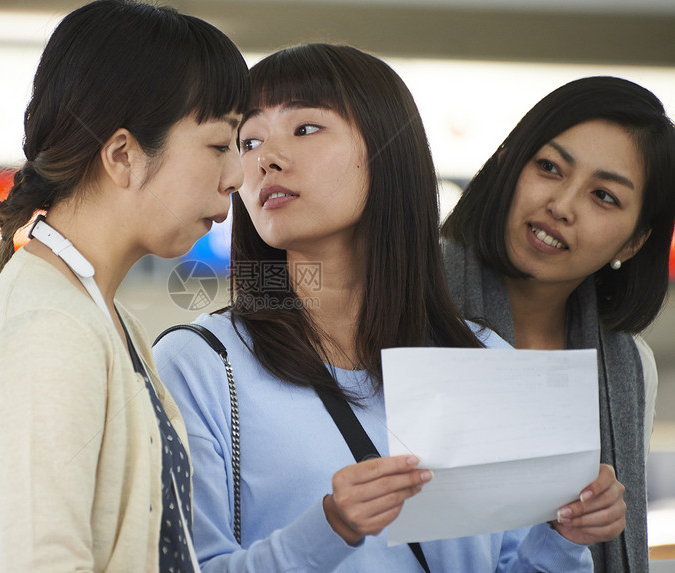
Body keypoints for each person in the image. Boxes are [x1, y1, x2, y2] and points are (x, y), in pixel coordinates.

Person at [154, 43, 603, 572]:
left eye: (305, 129)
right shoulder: (200, 365)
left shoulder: (482, 359)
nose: (264, 158)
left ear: (388, 150)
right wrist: (329, 528)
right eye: (247, 140)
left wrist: (564, 536)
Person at [0, 1, 248, 571]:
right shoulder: (51, 327)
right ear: (122, 155)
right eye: (218, 145)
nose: (236, 175)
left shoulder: (99, 314)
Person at [441, 76, 675, 572]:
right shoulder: (394, 302)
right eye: (549, 167)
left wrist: (587, 523)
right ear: (507, 161)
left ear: (633, 243)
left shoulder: (631, 368)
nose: (562, 206)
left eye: (604, 196)